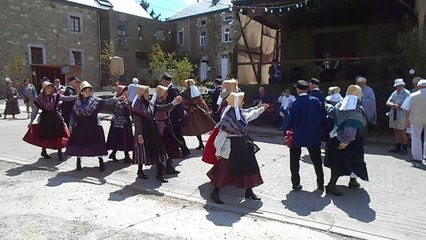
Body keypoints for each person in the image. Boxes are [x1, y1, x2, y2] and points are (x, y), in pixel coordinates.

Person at [207, 92, 269, 204]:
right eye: (242, 101)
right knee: (224, 170)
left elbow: (251, 114)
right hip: (231, 147)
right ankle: (215, 192)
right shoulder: (227, 118)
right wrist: (218, 151)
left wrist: (261, 109)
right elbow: (220, 136)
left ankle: (249, 191)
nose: (244, 102)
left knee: (250, 167)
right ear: (236, 103)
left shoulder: (240, 114)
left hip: (242, 145)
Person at [65, 81, 124, 172]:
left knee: (97, 145)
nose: (87, 92)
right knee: (80, 144)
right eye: (85, 90)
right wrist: (71, 125)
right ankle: (78, 162)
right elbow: (73, 114)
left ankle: (101, 162)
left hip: (94, 125)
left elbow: (106, 102)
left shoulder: (95, 100)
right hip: (81, 126)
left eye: (89, 90)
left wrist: (117, 98)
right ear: (81, 91)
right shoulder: (77, 102)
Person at [131, 85, 182, 182]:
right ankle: (140, 171)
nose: (148, 94)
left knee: (159, 151)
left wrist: (174, 103)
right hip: (143, 131)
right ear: (141, 94)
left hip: (153, 130)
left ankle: (159, 174)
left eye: (148, 92)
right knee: (142, 152)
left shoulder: (150, 104)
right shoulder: (137, 106)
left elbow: (163, 108)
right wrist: (139, 135)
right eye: (146, 92)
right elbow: (137, 123)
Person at [324, 85, 368, 196]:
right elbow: (351, 127)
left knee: (338, 161)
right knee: (354, 159)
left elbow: (331, 113)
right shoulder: (356, 108)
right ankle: (333, 185)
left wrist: (326, 105)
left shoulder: (340, 104)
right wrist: (346, 141)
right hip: (350, 140)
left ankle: (351, 181)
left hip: (336, 135)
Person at [283, 80, 325, 191]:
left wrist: (285, 131)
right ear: (307, 89)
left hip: (297, 135)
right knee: (317, 160)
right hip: (313, 135)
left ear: (297, 89)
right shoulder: (315, 101)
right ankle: (320, 184)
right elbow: (323, 115)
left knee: (294, 161)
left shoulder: (294, 102)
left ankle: (295, 184)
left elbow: (288, 119)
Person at [24, 81, 76, 161]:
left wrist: (77, 96)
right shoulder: (39, 99)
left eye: (51, 88)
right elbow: (34, 111)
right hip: (45, 119)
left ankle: (59, 153)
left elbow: (67, 98)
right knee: (45, 136)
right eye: (48, 88)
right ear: (44, 89)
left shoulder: (56, 96)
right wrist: (31, 121)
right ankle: (43, 151)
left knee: (59, 135)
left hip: (55, 118)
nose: (50, 89)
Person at [154, 85, 183, 175]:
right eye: (165, 93)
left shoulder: (161, 101)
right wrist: (174, 103)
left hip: (165, 126)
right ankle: (166, 168)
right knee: (167, 146)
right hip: (163, 127)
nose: (167, 94)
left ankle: (166, 166)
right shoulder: (158, 102)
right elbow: (164, 108)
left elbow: (167, 109)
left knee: (167, 147)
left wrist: (175, 104)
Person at [160, 73, 190, 158]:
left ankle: (185, 150)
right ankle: (180, 150)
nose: (162, 82)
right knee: (175, 134)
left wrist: (180, 116)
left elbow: (179, 103)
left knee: (177, 134)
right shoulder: (168, 89)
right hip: (171, 115)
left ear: (166, 81)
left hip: (175, 116)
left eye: (162, 80)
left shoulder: (173, 89)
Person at [181, 79, 216, 150]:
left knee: (184, 127)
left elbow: (182, 101)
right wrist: (206, 110)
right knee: (197, 127)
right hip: (196, 111)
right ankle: (200, 143)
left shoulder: (184, 92)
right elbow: (201, 102)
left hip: (188, 111)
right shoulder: (196, 92)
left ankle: (183, 146)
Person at [106, 85, 134, 163]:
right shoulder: (118, 101)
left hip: (125, 121)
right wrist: (124, 101)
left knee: (121, 139)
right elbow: (118, 107)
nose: (127, 92)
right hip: (120, 123)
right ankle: (126, 156)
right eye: (125, 91)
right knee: (124, 139)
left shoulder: (125, 100)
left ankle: (114, 153)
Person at [401, 79, 426, 162]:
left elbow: (406, 109)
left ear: (418, 86)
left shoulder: (412, 95)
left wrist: (407, 120)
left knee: (416, 138)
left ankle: (417, 157)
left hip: (416, 118)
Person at [386, 79, 410, 154]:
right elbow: (387, 102)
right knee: (395, 130)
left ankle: (405, 148)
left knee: (402, 131)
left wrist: (396, 105)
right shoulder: (394, 93)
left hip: (402, 115)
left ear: (403, 85)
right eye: (397, 86)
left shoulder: (407, 93)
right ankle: (398, 147)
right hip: (393, 114)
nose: (398, 87)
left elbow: (404, 105)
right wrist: (393, 105)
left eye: (400, 86)